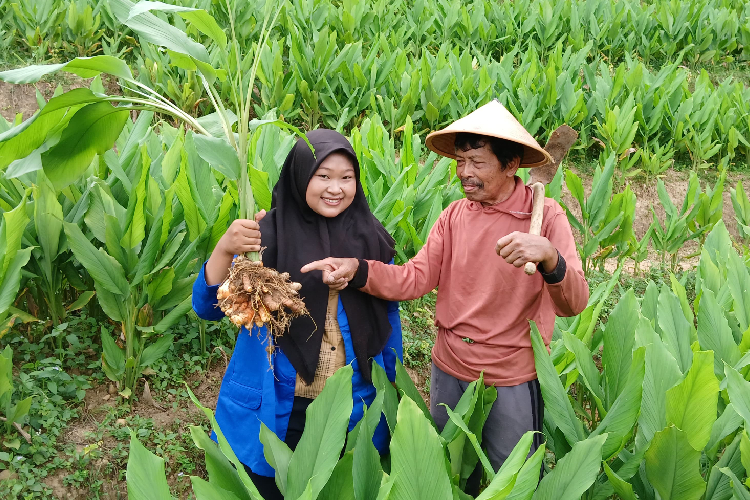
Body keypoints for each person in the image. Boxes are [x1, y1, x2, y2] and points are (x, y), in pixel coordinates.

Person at [302, 100, 589, 493]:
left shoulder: (546, 218)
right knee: (451, 477)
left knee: (513, 480)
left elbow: (574, 303)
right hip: (450, 367)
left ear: (510, 165)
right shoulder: (455, 216)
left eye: (477, 162)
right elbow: (414, 279)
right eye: (460, 161)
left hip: (510, 376)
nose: (465, 174)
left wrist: (549, 258)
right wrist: (358, 269)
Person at [192, 129, 402, 500]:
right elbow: (209, 307)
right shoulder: (263, 235)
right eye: (323, 176)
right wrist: (225, 249)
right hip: (279, 399)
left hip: (352, 399)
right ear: (300, 175)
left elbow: (389, 323)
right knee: (269, 483)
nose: (335, 188)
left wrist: (392, 388)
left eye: (346, 177)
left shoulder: (372, 237)